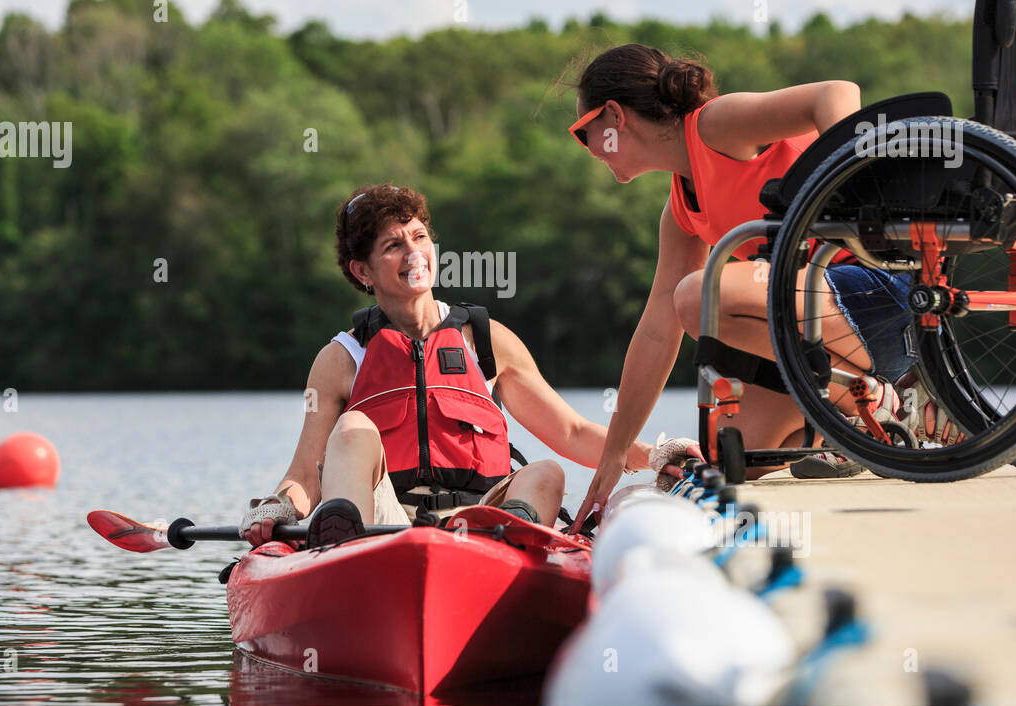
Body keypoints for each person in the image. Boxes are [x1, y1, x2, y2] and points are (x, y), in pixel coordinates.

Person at [566, 44, 944, 531]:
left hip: (882, 287)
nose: (587, 147)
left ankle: (874, 401)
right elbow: (657, 334)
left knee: (696, 294)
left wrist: (853, 186)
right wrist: (614, 454)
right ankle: (869, 423)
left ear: (615, 116)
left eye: (584, 133)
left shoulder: (714, 124)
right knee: (739, 459)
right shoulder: (680, 213)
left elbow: (835, 93)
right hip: (827, 319)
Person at [240, 183, 684, 548]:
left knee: (545, 472)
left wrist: (657, 455)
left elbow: (570, 433)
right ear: (363, 272)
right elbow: (304, 475)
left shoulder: (488, 341)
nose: (414, 254)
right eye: (394, 245)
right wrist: (276, 508)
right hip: (384, 524)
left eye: (418, 237)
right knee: (354, 427)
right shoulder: (340, 358)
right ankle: (347, 546)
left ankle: (510, 538)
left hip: (478, 522)